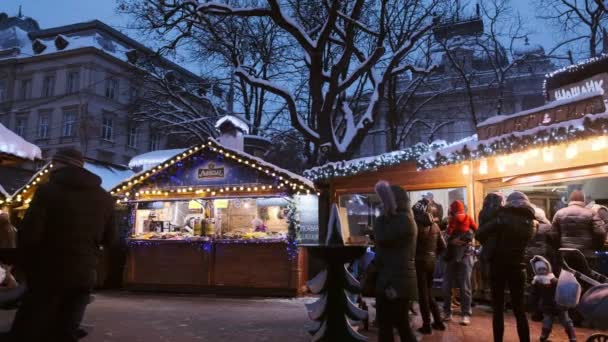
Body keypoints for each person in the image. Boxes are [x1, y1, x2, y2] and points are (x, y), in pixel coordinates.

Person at [10, 148, 116, 342]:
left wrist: (22, 262)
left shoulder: (47, 190)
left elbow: (30, 234)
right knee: (66, 330)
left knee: (29, 328)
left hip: (48, 271)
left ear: (58, 164)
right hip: (84, 272)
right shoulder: (105, 197)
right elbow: (110, 239)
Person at [476, 191, 535, 342]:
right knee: (519, 310)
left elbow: (479, 234)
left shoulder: (502, 218)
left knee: (498, 310)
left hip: (499, 265)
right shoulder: (531, 221)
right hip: (519, 267)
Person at [373, 180, 418, 342]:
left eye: (385, 200)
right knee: (389, 326)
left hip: (398, 281)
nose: (381, 204)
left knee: (399, 325)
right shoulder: (397, 220)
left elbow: (383, 238)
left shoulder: (403, 220)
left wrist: (379, 220)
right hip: (391, 279)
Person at [412, 198, 446, 334]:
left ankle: (427, 325)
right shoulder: (435, 226)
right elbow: (443, 247)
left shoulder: (415, 226)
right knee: (428, 293)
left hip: (418, 262)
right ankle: (438, 322)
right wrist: (432, 255)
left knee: (422, 295)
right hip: (431, 262)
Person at [442, 200, 477, 325]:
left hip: (466, 256)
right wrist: (451, 241)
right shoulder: (448, 222)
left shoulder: (468, 222)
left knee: (465, 287)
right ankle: (447, 311)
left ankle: (465, 313)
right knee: (446, 286)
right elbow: (444, 239)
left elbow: (473, 233)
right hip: (451, 257)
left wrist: (465, 240)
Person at [552, 190, 607, 267]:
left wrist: (560, 247)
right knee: (587, 278)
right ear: (583, 200)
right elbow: (600, 232)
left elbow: (553, 235)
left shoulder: (559, 213)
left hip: (566, 254)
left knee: (568, 277)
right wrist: (596, 247)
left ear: (570, 200)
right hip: (586, 254)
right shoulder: (591, 213)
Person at [529, 255, 577, 342]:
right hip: (547, 305)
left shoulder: (554, 280)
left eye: (544, 269)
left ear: (548, 268)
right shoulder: (536, 282)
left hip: (559, 304)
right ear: (536, 270)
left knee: (566, 321)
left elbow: (563, 288)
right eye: (539, 269)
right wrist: (533, 304)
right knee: (547, 321)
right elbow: (534, 294)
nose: (542, 271)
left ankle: (572, 336)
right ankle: (544, 335)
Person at [478, 193, 504, 301]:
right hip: (501, 249)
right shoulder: (502, 212)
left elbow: (480, 233)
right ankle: (501, 301)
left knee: (491, 277)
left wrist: (485, 243)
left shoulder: (482, 213)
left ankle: (494, 301)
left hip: (487, 249)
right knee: (501, 278)